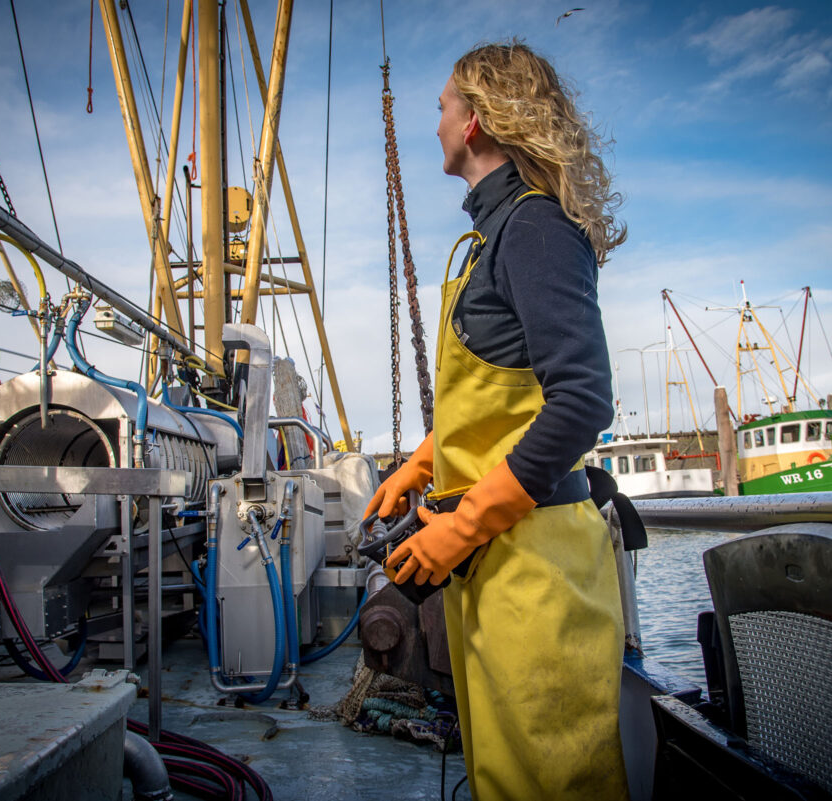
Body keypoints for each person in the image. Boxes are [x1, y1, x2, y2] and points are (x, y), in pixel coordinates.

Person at [364, 41, 628, 800]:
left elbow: (582, 398)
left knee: (550, 780)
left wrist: (463, 520)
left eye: (444, 104)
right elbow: (499, 396)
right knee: (502, 778)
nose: (436, 120)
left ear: (474, 119)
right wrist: (419, 467)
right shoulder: (490, 237)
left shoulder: (535, 229)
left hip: (535, 571)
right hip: (493, 566)